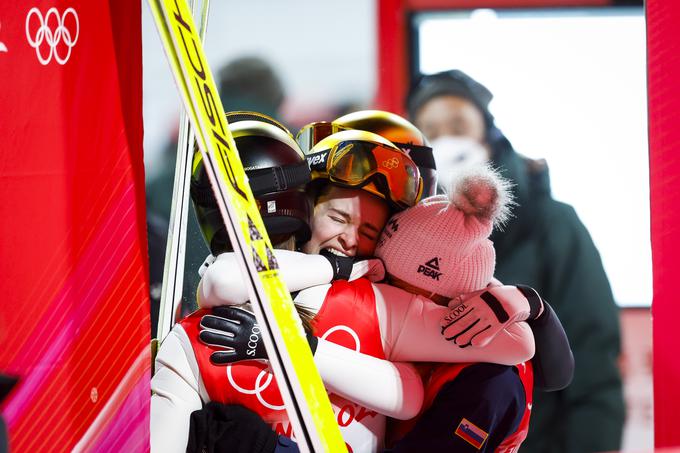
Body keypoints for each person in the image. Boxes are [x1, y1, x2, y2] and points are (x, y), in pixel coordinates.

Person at [199, 165, 572, 452]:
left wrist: (267, 447)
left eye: (399, 288)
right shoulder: (437, 323)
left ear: (443, 300)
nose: (380, 291)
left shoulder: (486, 385)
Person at [407, 69, 623, 452]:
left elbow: (592, 358)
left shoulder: (554, 224)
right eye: (432, 130)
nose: (447, 139)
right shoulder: (406, 234)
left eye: (458, 125)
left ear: (488, 135)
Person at [145, 56, 287, 335]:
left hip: (181, 319)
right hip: (268, 320)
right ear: (277, 96)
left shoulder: (178, 161)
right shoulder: (289, 152)